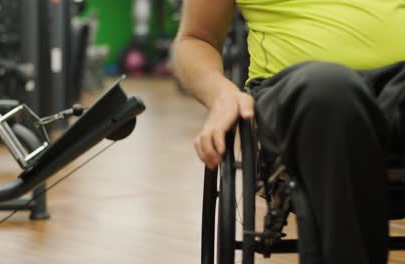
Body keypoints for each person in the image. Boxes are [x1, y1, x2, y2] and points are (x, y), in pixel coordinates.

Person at [172, 0, 405, 263]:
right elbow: (196, 38)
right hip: (302, 91)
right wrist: (222, 95)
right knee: (329, 90)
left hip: (397, 85)